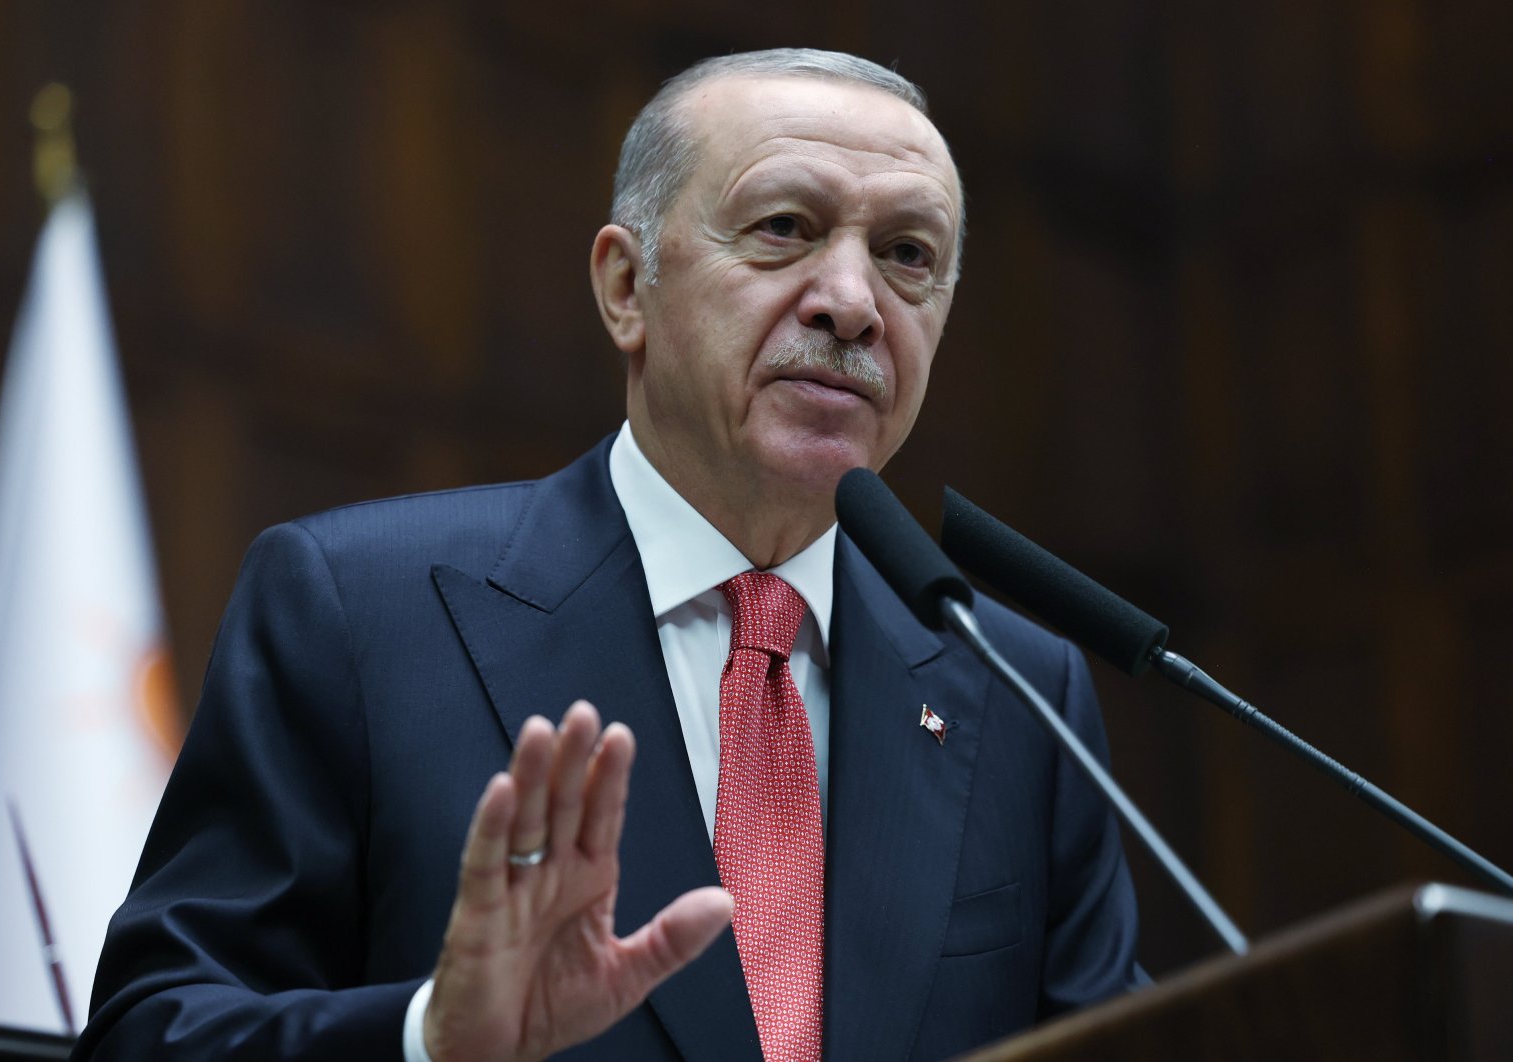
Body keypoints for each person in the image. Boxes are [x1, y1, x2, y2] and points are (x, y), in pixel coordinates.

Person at [74, 49, 1141, 1062]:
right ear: (626, 289)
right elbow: (148, 1033)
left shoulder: (1018, 694)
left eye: (908, 255)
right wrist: (431, 1039)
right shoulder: (359, 612)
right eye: (783, 227)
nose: (853, 303)